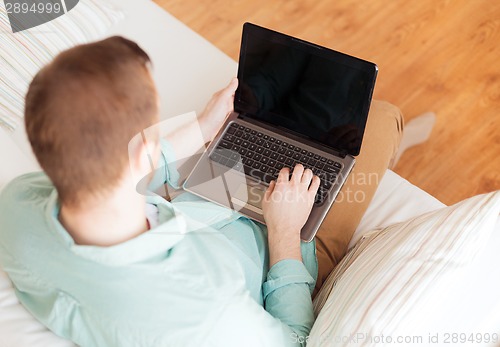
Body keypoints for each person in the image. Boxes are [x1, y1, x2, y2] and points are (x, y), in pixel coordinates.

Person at [0, 36, 403, 346]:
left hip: (202, 196)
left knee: (267, 99)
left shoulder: (16, 207)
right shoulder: (208, 309)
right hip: (285, 241)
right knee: (378, 118)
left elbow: (113, 174)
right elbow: (295, 339)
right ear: (144, 149)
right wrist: (284, 233)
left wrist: (203, 128)